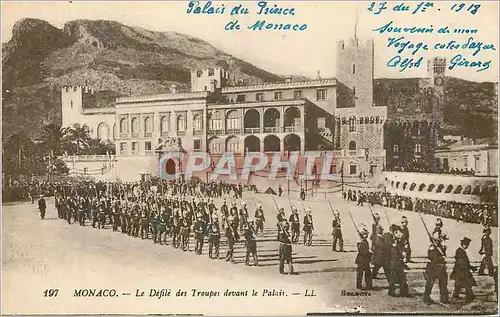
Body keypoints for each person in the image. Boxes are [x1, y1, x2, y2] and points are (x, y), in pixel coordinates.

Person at [423, 231, 449, 304]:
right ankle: (426, 297)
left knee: (443, 283)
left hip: (441, 267)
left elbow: (444, 254)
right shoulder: (432, 247)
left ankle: (444, 298)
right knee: (430, 283)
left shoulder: (442, 246)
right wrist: (441, 257)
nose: (441, 239)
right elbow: (432, 257)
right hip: (433, 267)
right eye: (439, 238)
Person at [451, 237, 477, 302]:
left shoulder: (461, 251)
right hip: (461, 270)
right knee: (467, 283)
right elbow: (461, 262)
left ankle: (456, 294)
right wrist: (467, 268)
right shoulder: (460, 251)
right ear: (462, 244)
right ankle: (469, 296)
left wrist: (471, 267)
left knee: (459, 283)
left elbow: (465, 263)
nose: (467, 246)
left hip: (462, 270)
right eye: (466, 244)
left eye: (467, 245)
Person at [388, 226, 409, 297]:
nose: (400, 235)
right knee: (393, 278)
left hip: (400, 262)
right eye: (398, 234)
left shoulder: (402, 242)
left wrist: (405, 250)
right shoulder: (393, 242)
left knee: (402, 277)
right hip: (395, 262)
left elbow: (405, 249)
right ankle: (391, 292)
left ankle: (403, 292)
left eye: (401, 234)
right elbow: (394, 253)